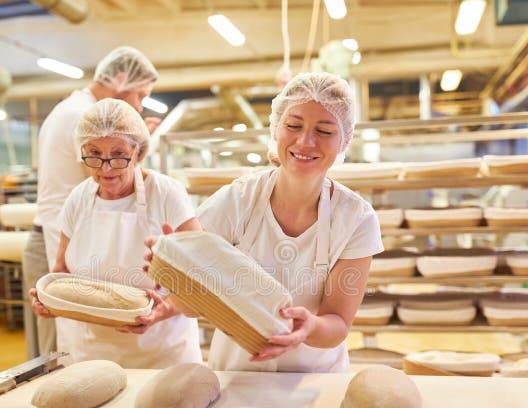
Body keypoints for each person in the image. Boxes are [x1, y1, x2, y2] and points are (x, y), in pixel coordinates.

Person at [147, 72, 382, 372]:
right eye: (293, 126)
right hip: (238, 374)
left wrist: (310, 328)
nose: (305, 141)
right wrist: (172, 272)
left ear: (344, 140)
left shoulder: (356, 220)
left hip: (314, 381)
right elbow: (192, 305)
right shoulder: (237, 200)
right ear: (276, 129)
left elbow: (337, 324)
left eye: (324, 131)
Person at [29, 98, 202, 368]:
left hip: (161, 355)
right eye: (94, 154)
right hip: (91, 355)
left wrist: (162, 311)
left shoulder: (166, 194)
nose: (105, 168)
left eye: (118, 155)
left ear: (137, 152)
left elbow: (203, 277)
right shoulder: (78, 199)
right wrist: (50, 301)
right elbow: (61, 270)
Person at [22, 46, 160, 359]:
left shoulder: (73, 106)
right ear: (120, 79)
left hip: (57, 230)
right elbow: (104, 176)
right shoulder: (85, 116)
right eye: (140, 95)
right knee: (62, 344)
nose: (139, 106)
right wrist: (136, 147)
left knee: (61, 341)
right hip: (59, 235)